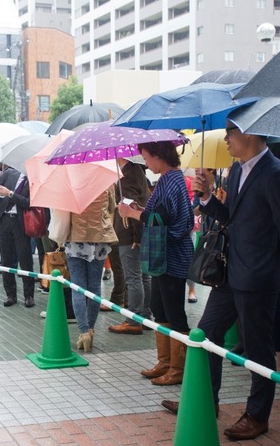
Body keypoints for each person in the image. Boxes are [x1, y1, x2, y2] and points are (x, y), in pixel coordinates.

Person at [161, 121, 280, 441]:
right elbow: (232, 219)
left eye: (230, 133)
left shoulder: (276, 174)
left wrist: (269, 265)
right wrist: (208, 196)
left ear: (249, 133)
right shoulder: (238, 171)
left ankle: (257, 414)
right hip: (231, 271)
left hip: (259, 276)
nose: (226, 139)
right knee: (206, 334)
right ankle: (205, 401)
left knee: (257, 349)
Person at [118, 142, 194, 386]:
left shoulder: (173, 180)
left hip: (172, 257)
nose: (145, 163)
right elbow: (159, 214)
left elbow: (167, 220)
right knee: (161, 310)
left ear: (159, 156)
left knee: (174, 312)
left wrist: (133, 214)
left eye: (146, 157)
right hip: (163, 257)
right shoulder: (166, 179)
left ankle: (178, 368)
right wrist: (139, 209)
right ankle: (165, 362)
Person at [66, 186, 117, 352]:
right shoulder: (106, 180)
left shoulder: (71, 180)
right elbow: (111, 207)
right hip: (99, 237)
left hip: (76, 237)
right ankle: (91, 330)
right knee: (94, 287)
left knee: (78, 287)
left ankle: (83, 332)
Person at [108, 157, 152, 335]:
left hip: (129, 234)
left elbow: (132, 207)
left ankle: (133, 319)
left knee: (134, 278)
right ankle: (146, 316)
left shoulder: (126, 176)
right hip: (139, 232)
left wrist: (137, 236)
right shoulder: (138, 172)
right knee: (144, 277)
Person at [0, 166, 36, 308]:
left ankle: (29, 295)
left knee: (25, 259)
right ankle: (10, 294)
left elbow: (29, 203)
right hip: (3, 220)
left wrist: (10, 194)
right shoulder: (9, 173)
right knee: (6, 259)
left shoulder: (33, 178)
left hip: (21, 222)